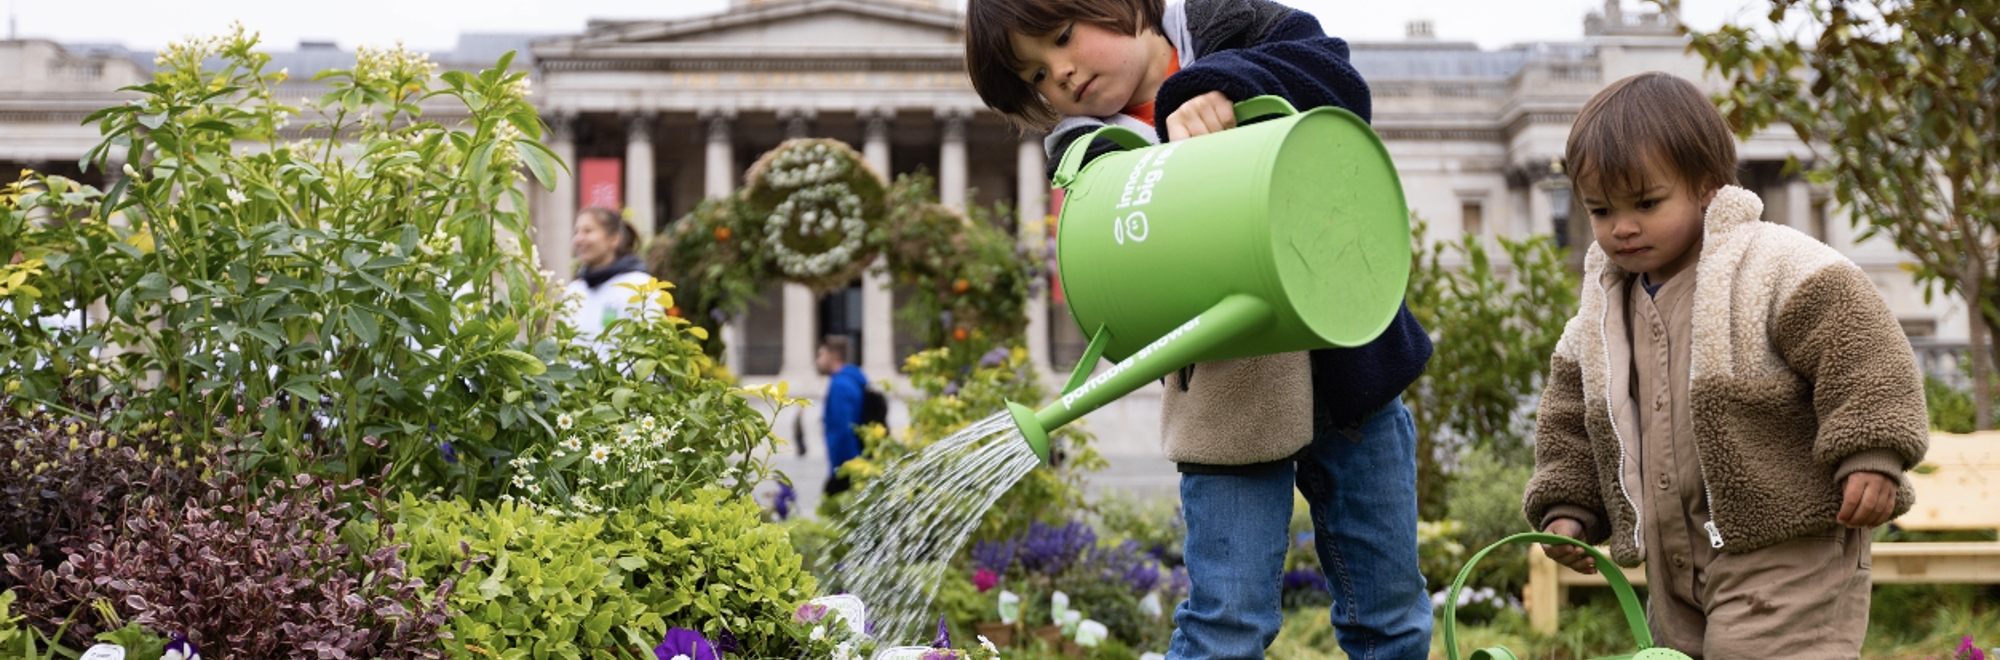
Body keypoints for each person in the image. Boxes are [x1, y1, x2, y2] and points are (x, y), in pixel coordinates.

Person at [965, 1, 1436, 658]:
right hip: (1227, 403)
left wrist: (1217, 88)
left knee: (1391, 615)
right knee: (1228, 624)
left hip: (1354, 372)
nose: (1061, 75)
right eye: (1037, 76)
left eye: (1063, 38)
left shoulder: (1231, 20)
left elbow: (1340, 86)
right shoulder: (1085, 147)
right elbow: (1120, 247)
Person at [1522, 72, 1929, 658]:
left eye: (1646, 203)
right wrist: (1568, 507)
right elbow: (1573, 425)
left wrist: (1872, 450)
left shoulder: (1772, 265)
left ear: (1707, 188)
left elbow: (1860, 346)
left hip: (1786, 544)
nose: (1623, 226)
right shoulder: (1599, 318)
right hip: (1676, 558)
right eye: (1601, 210)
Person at [564, 207, 651, 344]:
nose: (579, 239)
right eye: (577, 232)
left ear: (614, 239)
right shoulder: (575, 290)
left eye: (588, 231)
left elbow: (650, 345)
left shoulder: (640, 286)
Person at [815, 335, 869, 496]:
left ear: (834, 356)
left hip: (846, 467)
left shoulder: (839, 385)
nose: (818, 360)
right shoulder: (852, 380)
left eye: (821, 355)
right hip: (855, 463)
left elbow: (842, 429)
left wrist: (840, 471)